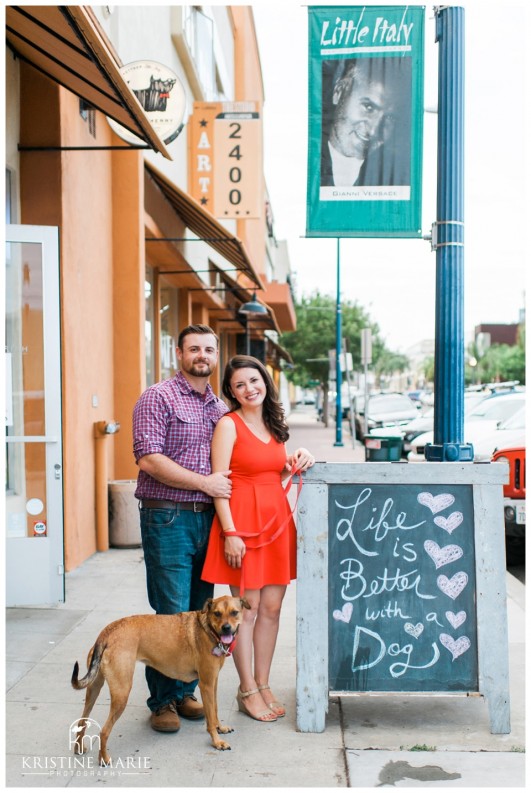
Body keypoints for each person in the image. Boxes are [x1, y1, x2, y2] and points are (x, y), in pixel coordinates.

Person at [201, 355, 315, 722]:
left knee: (271, 608)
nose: (249, 389)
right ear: (232, 392)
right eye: (239, 385)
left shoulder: (273, 424)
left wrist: (299, 457)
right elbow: (220, 484)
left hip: (275, 523)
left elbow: (275, 471)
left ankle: (263, 683)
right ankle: (246, 688)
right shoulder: (228, 425)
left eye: (254, 380)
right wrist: (230, 533)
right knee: (244, 614)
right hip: (243, 526)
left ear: (265, 381)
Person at [132, 324, 231, 733]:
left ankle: (187, 690)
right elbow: (148, 458)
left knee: (201, 612)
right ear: (179, 353)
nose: (202, 355)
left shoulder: (220, 407)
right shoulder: (158, 397)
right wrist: (204, 483)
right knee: (171, 614)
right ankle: (162, 702)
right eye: (194, 349)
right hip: (167, 515)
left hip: (207, 520)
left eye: (208, 349)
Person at [320, 56, 411, 188]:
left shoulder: (397, 176)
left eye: (390, 118)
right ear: (338, 92)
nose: (374, 130)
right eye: (369, 107)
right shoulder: (307, 161)